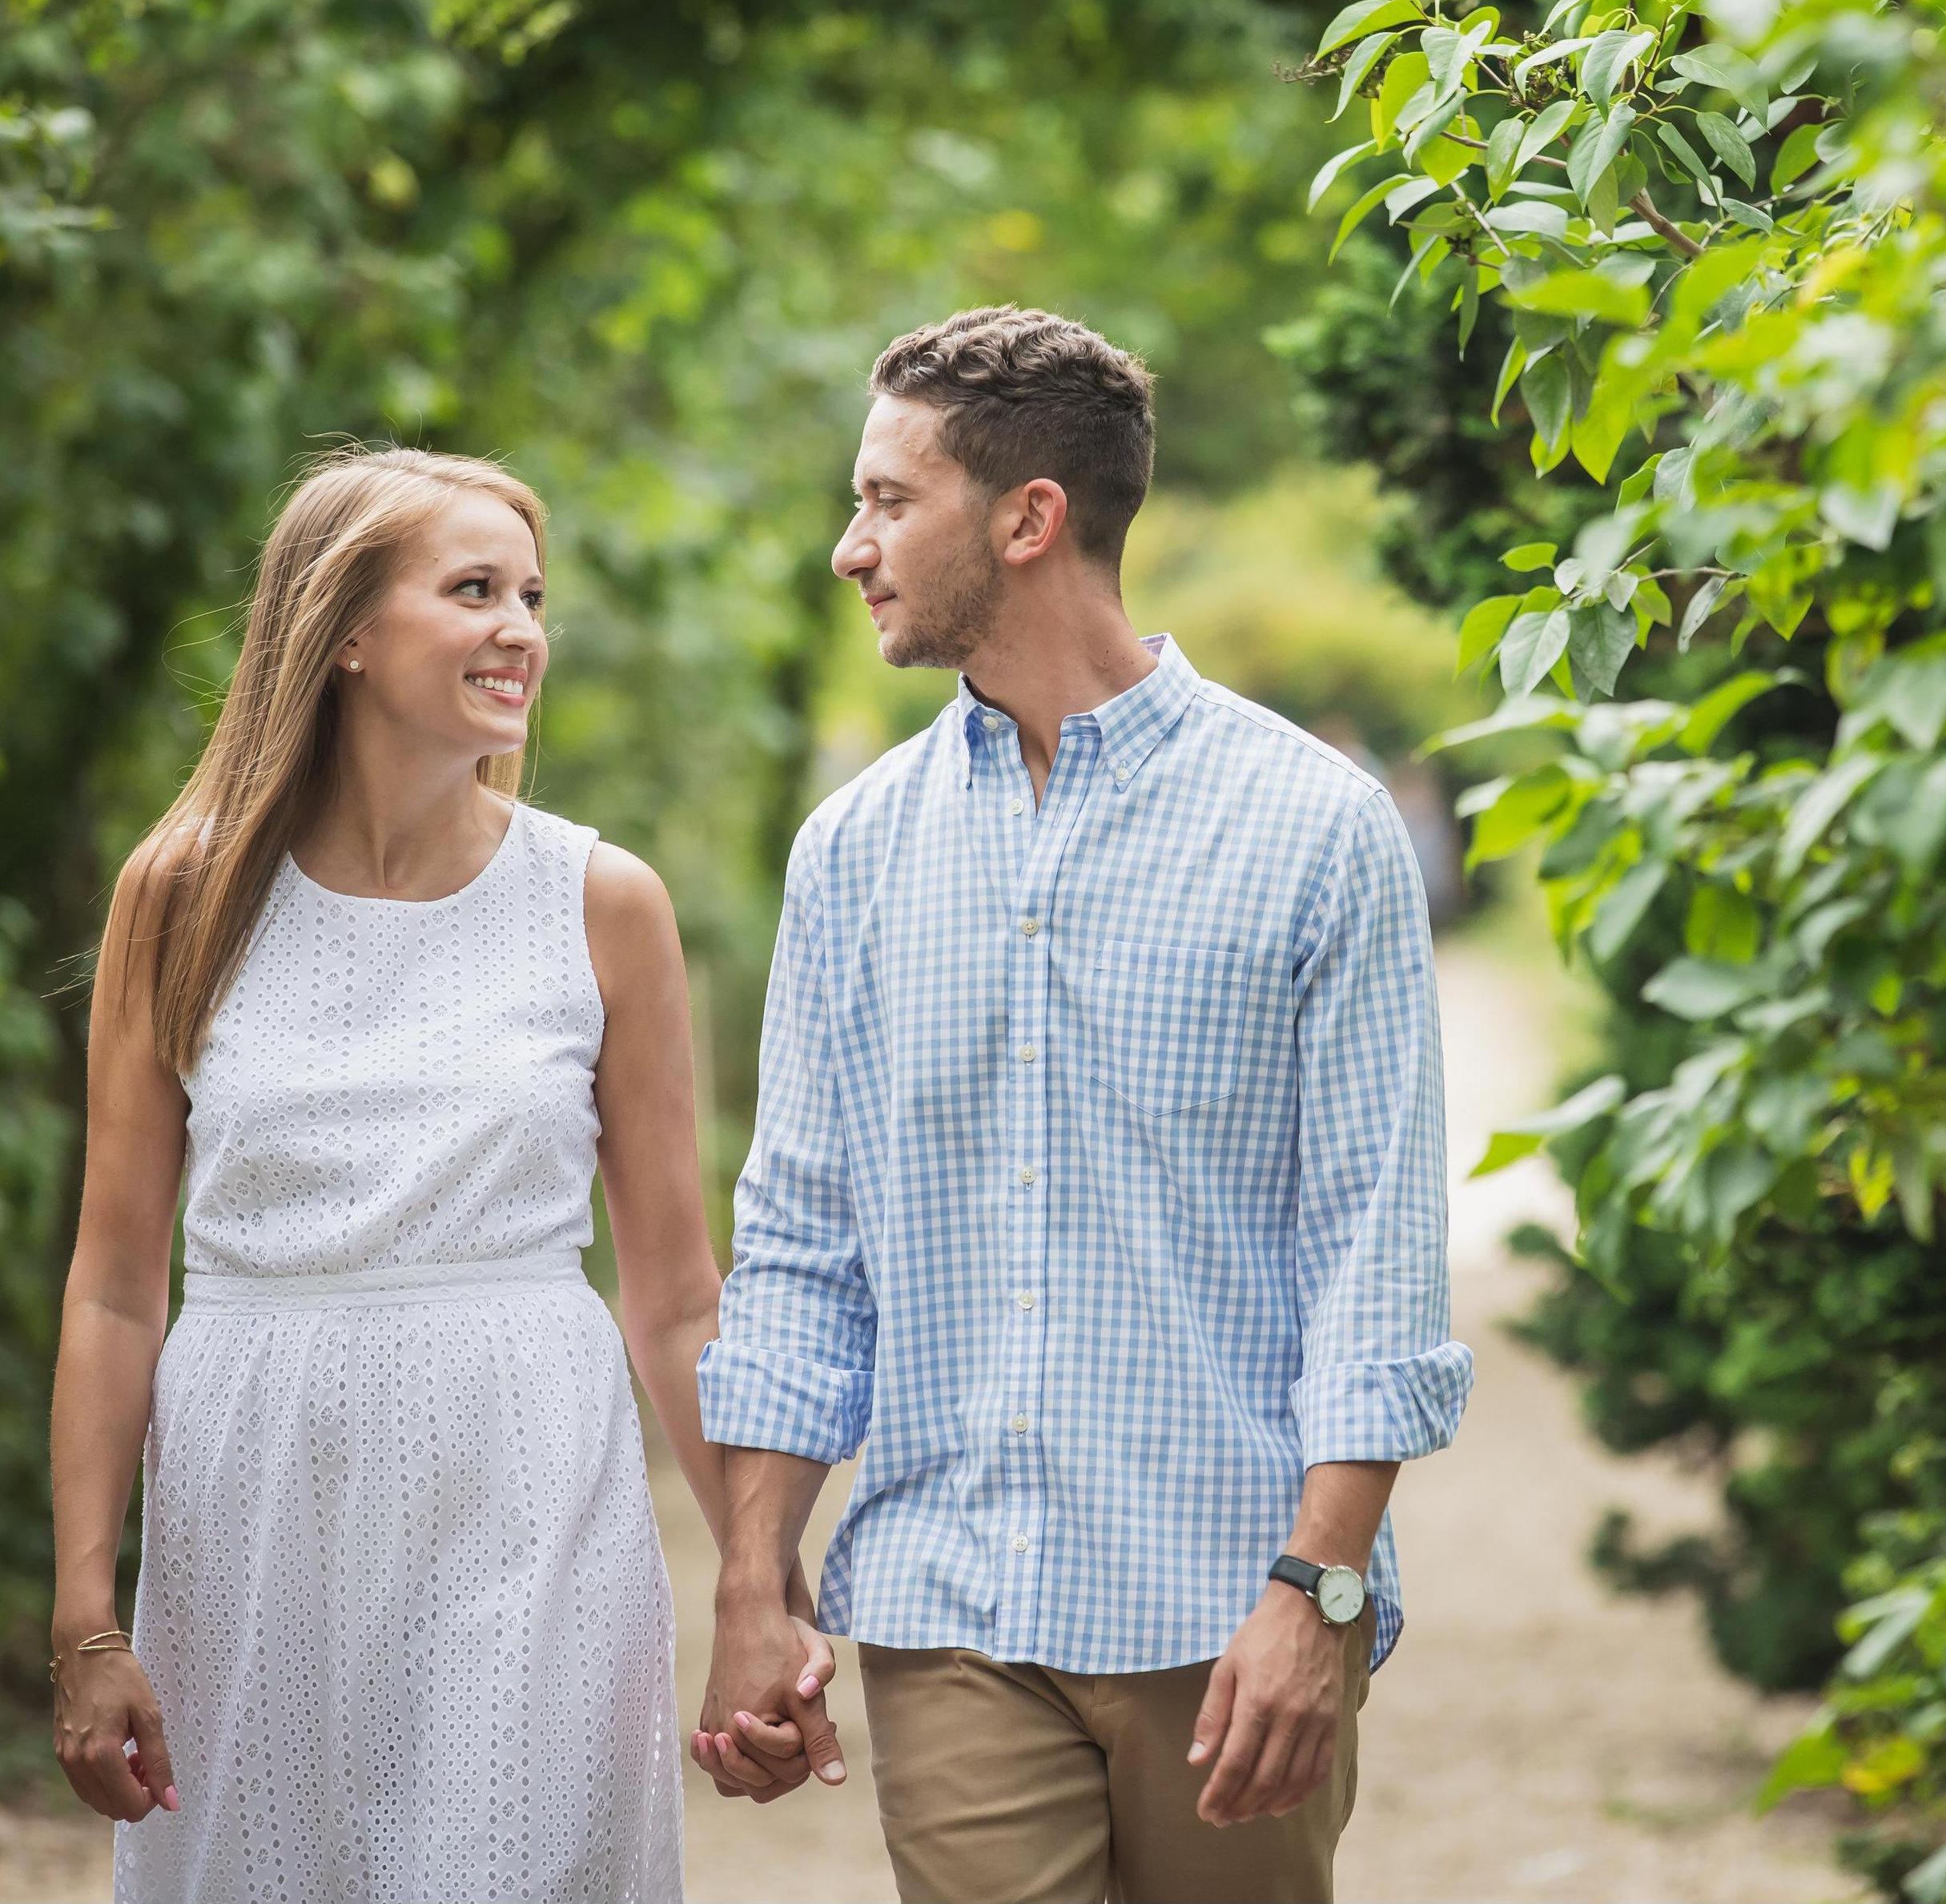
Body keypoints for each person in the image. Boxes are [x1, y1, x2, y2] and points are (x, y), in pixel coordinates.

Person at [698, 308, 1474, 1903]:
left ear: (1028, 519)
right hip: (944, 1602)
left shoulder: (1313, 831)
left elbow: (1373, 1245)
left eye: (885, 500)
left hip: (1228, 1607)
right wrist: (751, 1577)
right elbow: (797, 1239)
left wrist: (1314, 1590)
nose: (850, 547)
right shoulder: (851, 855)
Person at [48, 446, 817, 1904]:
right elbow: (112, 1289)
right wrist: (87, 1624)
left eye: (532, 594)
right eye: (474, 591)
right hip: (250, 1509)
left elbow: (672, 1297)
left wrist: (758, 1588)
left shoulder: (602, 900)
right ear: (342, 631)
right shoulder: (181, 893)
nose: (522, 626)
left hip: (524, 1484)